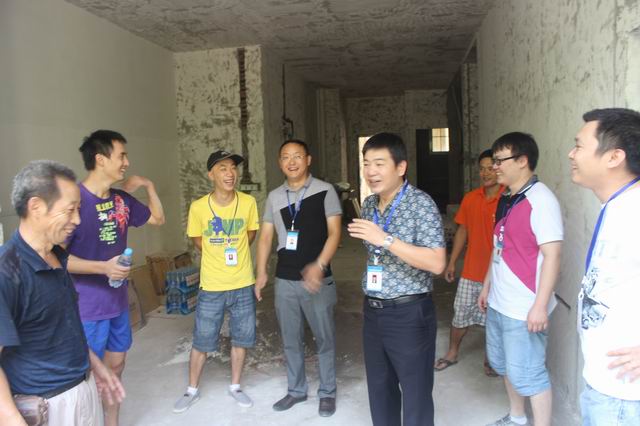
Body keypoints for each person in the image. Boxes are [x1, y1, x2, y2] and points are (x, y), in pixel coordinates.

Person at [0, 160, 125, 426]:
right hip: (48, 404)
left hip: (83, 388)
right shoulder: (6, 270)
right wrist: (11, 419)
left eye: (78, 210)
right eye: (70, 210)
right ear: (36, 207)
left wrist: (96, 366)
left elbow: (64, 326)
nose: (77, 220)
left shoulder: (57, 256)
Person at [65, 130, 164, 426]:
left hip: (118, 301)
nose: (126, 162)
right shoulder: (73, 202)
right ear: (100, 159)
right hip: (86, 307)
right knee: (86, 376)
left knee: (117, 366)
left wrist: (148, 184)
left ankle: (111, 422)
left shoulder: (121, 200)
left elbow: (158, 219)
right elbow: (56, 258)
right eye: (122, 156)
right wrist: (103, 268)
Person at [347, 132, 446, 426]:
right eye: (366, 164)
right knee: (380, 391)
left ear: (401, 167)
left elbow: (437, 262)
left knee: (415, 395)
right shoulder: (368, 205)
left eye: (379, 163)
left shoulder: (420, 204)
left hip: (409, 314)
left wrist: (386, 239)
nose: (371, 171)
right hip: (373, 311)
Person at [478, 132, 563, 426]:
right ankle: (517, 417)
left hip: (524, 307)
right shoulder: (507, 198)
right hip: (500, 301)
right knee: (506, 367)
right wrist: (487, 285)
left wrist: (539, 306)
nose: (495, 167)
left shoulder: (541, 200)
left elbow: (553, 255)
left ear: (523, 160)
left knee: (529, 373)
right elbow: (499, 246)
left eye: (500, 160)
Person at [255, 139, 342, 417]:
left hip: (319, 278)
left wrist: (320, 265)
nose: (291, 162)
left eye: (297, 156)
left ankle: (327, 392)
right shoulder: (274, 197)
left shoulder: (325, 190)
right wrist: (261, 272)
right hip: (285, 277)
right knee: (290, 338)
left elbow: (335, 233)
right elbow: (265, 237)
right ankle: (296, 390)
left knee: (324, 338)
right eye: (285, 157)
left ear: (308, 160)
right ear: (280, 162)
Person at [173, 150, 260, 413]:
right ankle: (191, 390)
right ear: (211, 174)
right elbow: (197, 239)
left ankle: (236, 386)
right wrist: (218, 251)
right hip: (212, 286)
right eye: (223, 168)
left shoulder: (248, 202)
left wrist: (232, 248)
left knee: (241, 338)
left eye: (233, 167)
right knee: (202, 339)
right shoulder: (199, 207)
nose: (230, 173)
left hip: (242, 283)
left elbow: (251, 233)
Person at [569, 108, 640, 425]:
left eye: (579, 146)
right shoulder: (618, 205)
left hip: (625, 396)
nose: (571, 154)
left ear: (614, 157)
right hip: (605, 384)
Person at [435, 149, 502, 376]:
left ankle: (490, 360)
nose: (486, 173)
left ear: (499, 168)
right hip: (472, 271)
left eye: (490, 168)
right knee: (460, 314)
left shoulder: (508, 199)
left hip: (498, 275)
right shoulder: (471, 198)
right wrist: (452, 262)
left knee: (494, 320)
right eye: (482, 169)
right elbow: (462, 231)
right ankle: (452, 353)